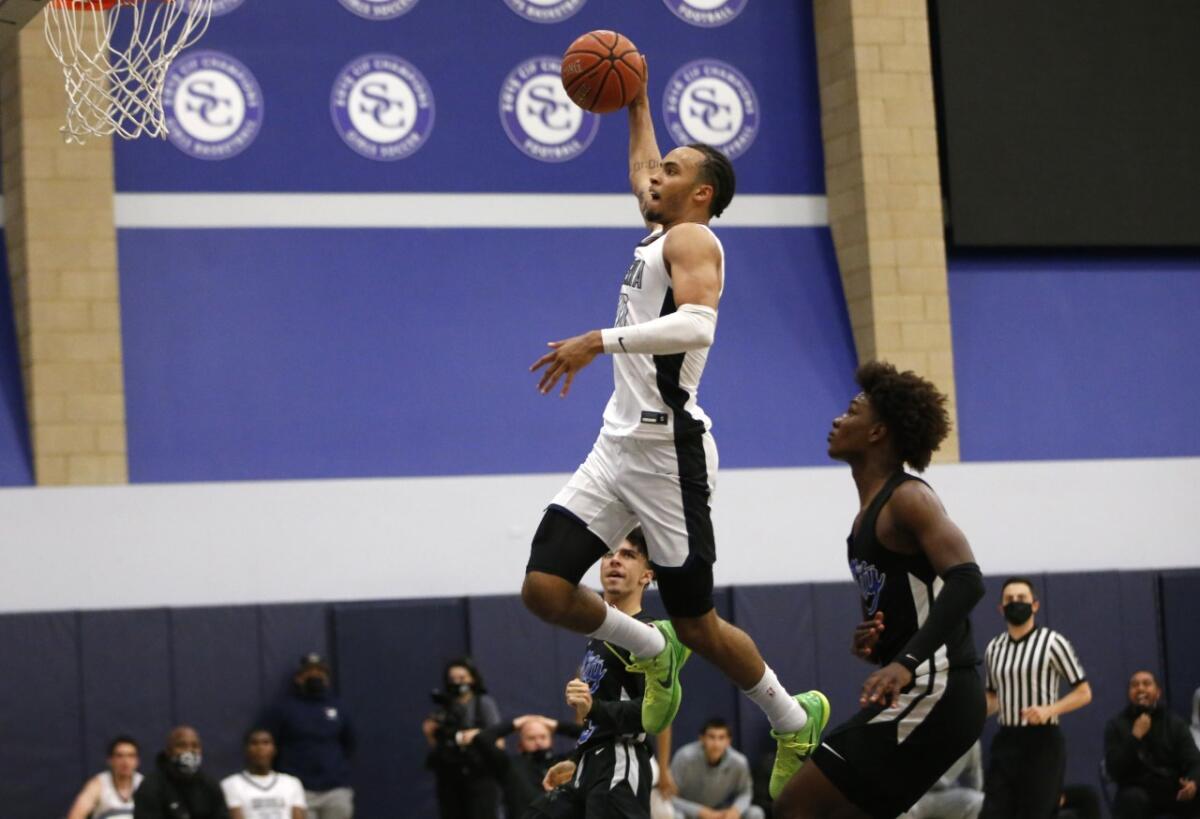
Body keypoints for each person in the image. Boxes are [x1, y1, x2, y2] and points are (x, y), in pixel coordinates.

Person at [522, 51, 827, 802]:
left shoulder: (695, 242)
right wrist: (635, 98)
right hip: (615, 445)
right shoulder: (660, 229)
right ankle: (647, 647)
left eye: (672, 169)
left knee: (700, 625)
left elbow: (697, 325)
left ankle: (793, 718)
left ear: (702, 193)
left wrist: (598, 340)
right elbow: (641, 167)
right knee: (543, 587)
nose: (653, 174)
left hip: (668, 454)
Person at [774, 361, 987, 819]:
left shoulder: (909, 497)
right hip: (927, 687)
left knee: (797, 806)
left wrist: (904, 664)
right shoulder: (865, 516)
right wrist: (879, 646)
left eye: (852, 411)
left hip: (939, 685)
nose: (837, 419)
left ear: (877, 434)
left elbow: (968, 579)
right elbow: (913, 605)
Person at [528, 527, 662, 818]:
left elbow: (653, 713)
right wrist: (578, 758)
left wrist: (594, 707)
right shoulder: (600, 634)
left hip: (620, 763)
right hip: (590, 764)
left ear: (646, 575)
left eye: (628, 555)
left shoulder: (647, 635)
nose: (614, 560)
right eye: (608, 554)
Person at [979, 577, 1092, 819]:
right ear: (1000, 608)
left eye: (1021, 598)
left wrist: (1050, 710)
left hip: (1042, 743)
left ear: (1035, 605)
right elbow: (994, 697)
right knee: (992, 813)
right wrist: (973, 714)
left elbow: (1084, 693)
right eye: (1009, 599)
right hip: (1006, 741)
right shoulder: (994, 648)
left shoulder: (1053, 642)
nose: (1015, 603)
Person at [261, 653, 355, 819]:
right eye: (309, 671)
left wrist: (335, 769)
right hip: (299, 789)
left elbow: (350, 743)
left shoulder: (338, 707)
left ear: (327, 678)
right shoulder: (283, 708)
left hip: (335, 789)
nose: (315, 675)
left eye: (320, 672)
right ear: (299, 677)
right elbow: (268, 742)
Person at [1104, 669, 1200, 818]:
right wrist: (1135, 737)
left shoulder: (1174, 723)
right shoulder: (1116, 725)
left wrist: (1193, 782)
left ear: (1158, 692)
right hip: (1137, 790)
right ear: (1129, 693)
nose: (1140, 688)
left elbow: (1194, 761)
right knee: (1132, 799)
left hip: (1172, 789)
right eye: (1134, 685)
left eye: (1146, 684)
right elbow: (1113, 769)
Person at [456, 714, 582, 819]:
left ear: (551, 740)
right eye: (531, 738)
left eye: (543, 736)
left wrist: (556, 725)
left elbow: (595, 738)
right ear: (520, 744)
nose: (538, 742)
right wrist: (516, 724)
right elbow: (482, 739)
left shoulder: (564, 763)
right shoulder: (509, 765)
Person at [422, 657, 503, 819]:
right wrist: (430, 733)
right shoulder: (444, 709)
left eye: (462, 678)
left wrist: (474, 736)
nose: (457, 683)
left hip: (481, 775)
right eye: (453, 679)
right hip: (451, 778)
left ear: (472, 678)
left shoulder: (484, 704)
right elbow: (438, 746)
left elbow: (499, 742)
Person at [668, 717, 763, 819]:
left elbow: (745, 792)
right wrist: (700, 811)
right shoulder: (684, 757)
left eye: (721, 737)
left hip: (720, 812)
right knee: (675, 815)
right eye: (711, 737)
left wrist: (735, 810)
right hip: (691, 813)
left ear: (728, 741)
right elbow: (669, 796)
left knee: (755, 812)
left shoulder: (739, 762)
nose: (716, 744)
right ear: (702, 738)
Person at [133, 725, 227, 819]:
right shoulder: (151, 785)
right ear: (168, 751)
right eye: (182, 745)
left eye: (195, 746)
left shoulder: (209, 785)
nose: (189, 751)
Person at [221, 728, 306, 819]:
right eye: (254, 743)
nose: (260, 748)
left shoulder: (292, 783)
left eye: (266, 743)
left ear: (274, 749)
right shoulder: (231, 784)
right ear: (246, 749)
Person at [67, 735, 144, 819]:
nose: (125, 761)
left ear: (137, 761)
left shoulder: (144, 784)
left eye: (131, 756)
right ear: (110, 760)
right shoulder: (98, 785)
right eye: (119, 756)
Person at [902, 742, 984, 819]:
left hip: (944, 795)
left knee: (979, 802)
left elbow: (975, 777)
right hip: (915, 796)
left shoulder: (971, 741)